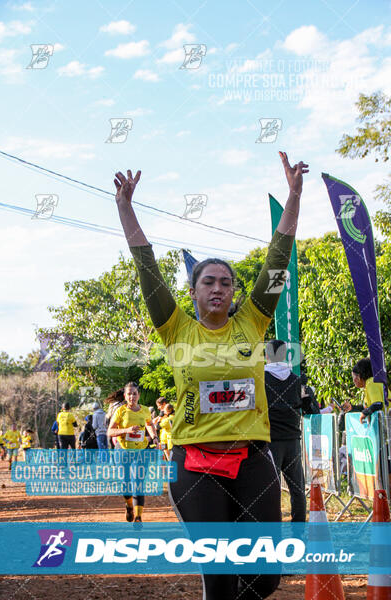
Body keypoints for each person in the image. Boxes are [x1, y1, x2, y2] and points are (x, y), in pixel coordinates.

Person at [113, 151, 308, 599]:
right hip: (195, 463)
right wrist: (125, 208)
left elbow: (277, 262)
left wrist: (294, 196)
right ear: (193, 291)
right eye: (209, 282)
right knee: (219, 577)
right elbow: (146, 269)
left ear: (236, 292)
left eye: (226, 282)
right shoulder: (174, 325)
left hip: (253, 459)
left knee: (264, 577)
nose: (218, 287)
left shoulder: (253, 322)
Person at [264, 340, 306, 522]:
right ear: (284, 355)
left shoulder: (260, 379)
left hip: (270, 440)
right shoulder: (296, 380)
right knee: (297, 488)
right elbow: (304, 404)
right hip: (293, 440)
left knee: (270, 490)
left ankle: (274, 531)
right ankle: (299, 531)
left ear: (266, 356)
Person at [108, 381, 159, 523]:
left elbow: (149, 424)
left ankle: (138, 517)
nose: (132, 397)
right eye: (129, 394)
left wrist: (154, 437)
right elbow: (110, 431)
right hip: (123, 451)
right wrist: (126, 430)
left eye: (134, 394)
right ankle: (129, 506)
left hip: (141, 451)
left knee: (139, 482)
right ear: (125, 396)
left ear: (139, 395)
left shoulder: (145, 410)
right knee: (126, 483)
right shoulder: (120, 411)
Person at [352, 358, 390, 423]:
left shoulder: (372, 382)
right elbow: (368, 406)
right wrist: (352, 408)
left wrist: (365, 413)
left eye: (353, 377)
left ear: (359, 376)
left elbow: (378, 404)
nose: (353, 380)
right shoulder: (369, 385)